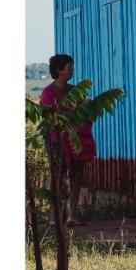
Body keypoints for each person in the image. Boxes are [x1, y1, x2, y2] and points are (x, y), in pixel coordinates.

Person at [39, 54, 97, 226]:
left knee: (76, 175)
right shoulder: (48, 93)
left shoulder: (75, 91)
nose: (72, 70)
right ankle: (54, 216)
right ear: (59, 70)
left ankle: (72, 215)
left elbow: (86, 115)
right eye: (69, 67)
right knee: (58, 176)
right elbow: (49, 119)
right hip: (57, 141)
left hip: (76, 140)